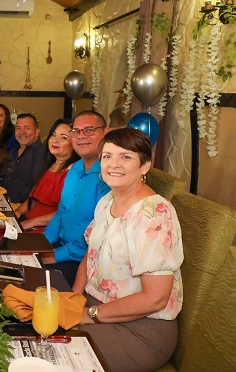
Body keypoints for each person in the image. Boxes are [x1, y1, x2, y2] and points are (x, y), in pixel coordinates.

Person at [73, 128, 183, 372]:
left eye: (125, 157)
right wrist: (74, 298)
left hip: (141, 330)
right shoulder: (107, 201)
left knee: (56, 354)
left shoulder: (153, 214)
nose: (114, 164)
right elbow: (90, 254)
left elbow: (155, 298)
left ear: (144, 166)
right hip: (97, 308)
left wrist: (87, 314)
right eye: (107, 156)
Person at [43, 110, 111, 286]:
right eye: (76, 131)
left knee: (29, 279)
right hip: (61, 245)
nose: (81, 136)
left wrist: (54, 256)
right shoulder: (74, 169)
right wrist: (42, 243)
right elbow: (61, 212)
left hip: (83, 261)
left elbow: (96, 235)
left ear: (106, 133)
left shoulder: (110, 176)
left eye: (89, 130)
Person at [15, 119, 79, 232]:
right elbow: (33, 199)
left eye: (63, 137)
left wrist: (31, 222)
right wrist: (18, 212)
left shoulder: (74, 173)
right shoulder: (49, 165)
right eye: (54, 135)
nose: (55, 140)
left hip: (48, 229)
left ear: (74, 144)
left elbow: (65, 213)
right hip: (29, 222)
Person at [0, 113, 46, 203]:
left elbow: (36, 188)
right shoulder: (15, 149)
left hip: (20, 207)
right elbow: (6, 175)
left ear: (37, 132)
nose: (22, 132)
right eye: (18, 128)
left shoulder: (40, 153)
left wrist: (11, 200)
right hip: (2, 199)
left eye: (27, 128)